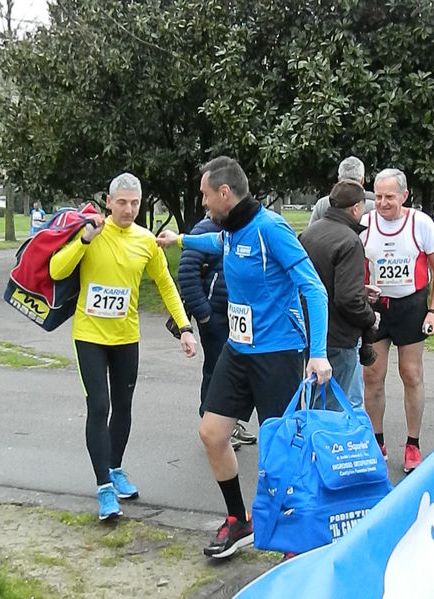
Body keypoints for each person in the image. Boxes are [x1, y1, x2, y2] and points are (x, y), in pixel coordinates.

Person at [157, 156, 332, 559]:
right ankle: (239, 520)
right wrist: (179, 241)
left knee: (281, 451)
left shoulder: (270, 228)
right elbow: (215, 243)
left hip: (278, 354)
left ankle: (294, 537)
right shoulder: (230, 230)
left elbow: (315, 290)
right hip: (238, 350)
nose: (201, 203)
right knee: (212, 434)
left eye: (204, 195)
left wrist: (318, 354)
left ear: (224, 192)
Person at [49, 173, 197, 520]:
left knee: (124, 406)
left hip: (126, 337)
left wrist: (185, 328)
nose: (129, 209)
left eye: (135, 203)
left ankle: (115, 468)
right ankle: (103, 488)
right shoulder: (93, 233)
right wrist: (85, 239)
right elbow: (57, 270)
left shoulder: (146, 241)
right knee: (98, 406)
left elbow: (165, 284)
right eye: (122, 202)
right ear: (109, 202)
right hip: (89, 335)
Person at [361, 168, 434, 473]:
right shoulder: (365, 223)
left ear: (405, 196)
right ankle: (376, 442)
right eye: (377, 196)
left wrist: (433, 310)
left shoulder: (421, 223)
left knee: (411, 374)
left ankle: (413, 444)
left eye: (389, 196)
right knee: (372, 376)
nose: (382, 203)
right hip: (376, 307)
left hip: (411, 305)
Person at [177, 214, 257, 450]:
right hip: (216, 314)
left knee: (241, 371)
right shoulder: (205, 228)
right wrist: (204, 314)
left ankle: (231, 423)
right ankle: (212, 426)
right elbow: (186, 274)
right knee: (216, 370)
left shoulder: (240, 226)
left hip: (239, 314)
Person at [300, 179, 379, 409]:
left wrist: (358, 289)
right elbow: (348, 300)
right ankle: (324, 446)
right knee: (333, 407)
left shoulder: (309, 233)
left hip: (311, 331)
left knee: (316, 402)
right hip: (339, 336)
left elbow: (319, 280)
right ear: (356, 208)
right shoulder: (350, 240)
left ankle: (313, 443)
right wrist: (370, 317)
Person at [309, 156, 375, 226]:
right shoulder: (374, 205)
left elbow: (311, 232)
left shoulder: (322, 204)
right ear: (362, 180)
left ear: (339, 179)